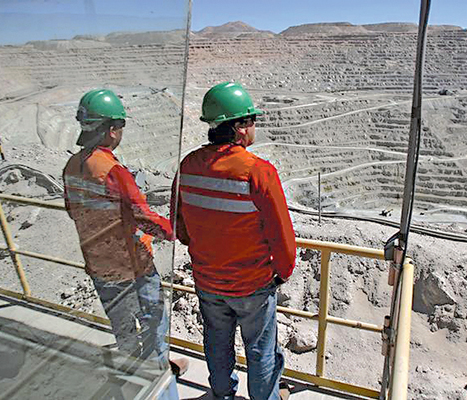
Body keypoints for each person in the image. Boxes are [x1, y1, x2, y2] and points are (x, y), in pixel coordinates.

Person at [171, 81, 296, 400]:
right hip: (252, 284)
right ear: (239, 128)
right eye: (251, 120)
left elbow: (181, 228)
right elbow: (281, 234)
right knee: (261, 352)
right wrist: (282, 272)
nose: (254, 126)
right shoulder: (258, 172)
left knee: (217, 343)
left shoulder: (188, 166)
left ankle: (223, 395)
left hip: (208, 280)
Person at [63, 89, 186, 397]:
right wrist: (174, 230)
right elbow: (142, 216)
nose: (120, 132)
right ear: (110, 130)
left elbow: (71, 209)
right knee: (155, 327)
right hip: (133, 267)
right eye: (119, 126)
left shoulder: (71, 167)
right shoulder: (113, 170)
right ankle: (160, 386)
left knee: (124, 331)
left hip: (100, 267)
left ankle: (132, 384)